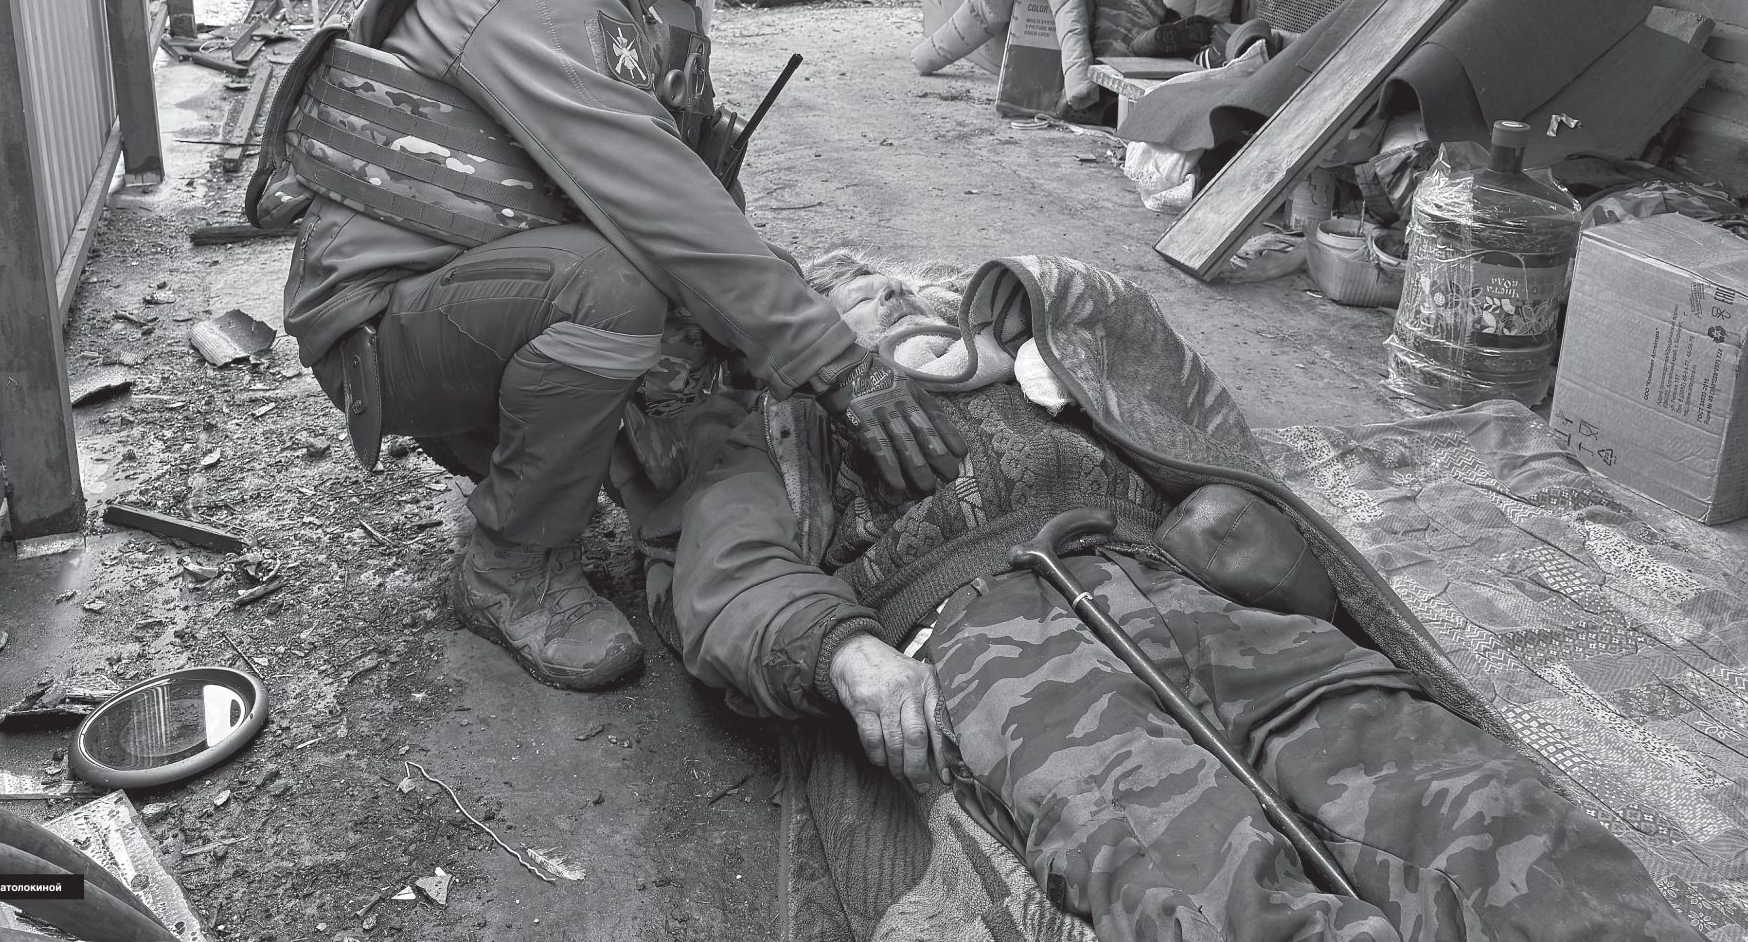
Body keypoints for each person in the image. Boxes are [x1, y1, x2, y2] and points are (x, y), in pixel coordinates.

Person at [670, 252, 1701, 941]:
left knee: (1472, 797)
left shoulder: (1033, 371)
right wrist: (850, 655)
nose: (888, 301)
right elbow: (729, 579)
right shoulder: (779, 428)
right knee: (1182, 868)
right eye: (849, 297)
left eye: (902, 289)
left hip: (1183, 581)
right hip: (992, 635)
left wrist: (1023, 325)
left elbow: (1133, 336)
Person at [275, 0, 966, 692]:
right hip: (383, 327)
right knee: (614, 289)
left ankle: (545, 478)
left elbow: (690, 212)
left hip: (459, 294)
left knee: (701, 306)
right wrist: (837, 364)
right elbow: (663, 209)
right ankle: (511, 570)